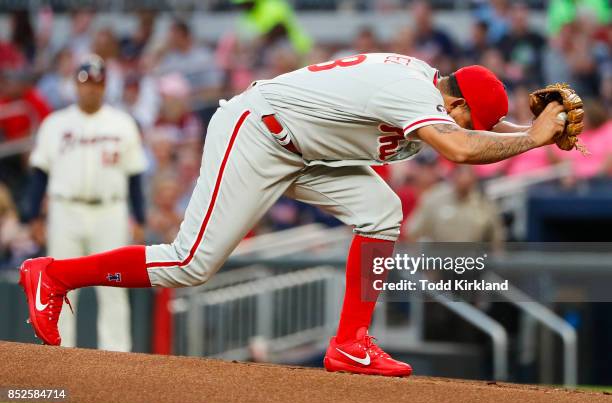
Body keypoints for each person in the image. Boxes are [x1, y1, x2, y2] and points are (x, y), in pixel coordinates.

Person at [19, 52, 568, 377]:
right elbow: (462, 148)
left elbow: (474, 128)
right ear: (456, 105)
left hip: (305, 149)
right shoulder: (410, 91)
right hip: (258, 132)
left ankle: (351, 341)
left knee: (381, 210)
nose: (470, 123)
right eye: (469, 116)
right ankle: (55, 274)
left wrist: (535, 134)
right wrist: (533, 141)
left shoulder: (435, 90)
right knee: (190, 263)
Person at [25, 55, 147, 352]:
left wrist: (140, 219)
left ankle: (116, 355)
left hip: (110, 210)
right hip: (65, 210)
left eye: (97, 83)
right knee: (59, 285)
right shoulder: (55, 123)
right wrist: (33, 217)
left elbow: (134, 177)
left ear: (105, 87)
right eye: (85, 83)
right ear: (75, 85)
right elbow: (40, 173)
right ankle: (59, 353)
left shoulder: (122, 123)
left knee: (114, 287)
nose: (91, 89)